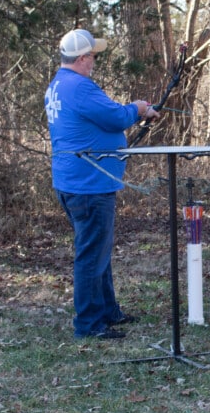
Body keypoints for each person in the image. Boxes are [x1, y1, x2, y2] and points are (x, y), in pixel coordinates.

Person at [44, 28, 159, 340]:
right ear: (82, 59)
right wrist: (138, 107)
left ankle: (107, 310)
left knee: (98, 249)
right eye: (93, 56)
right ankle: (88, 324)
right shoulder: (79, 87)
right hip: (88, 185)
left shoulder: (59, 85)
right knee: (91, 252)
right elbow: (115, 117)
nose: (94, 61)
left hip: (78, 182)